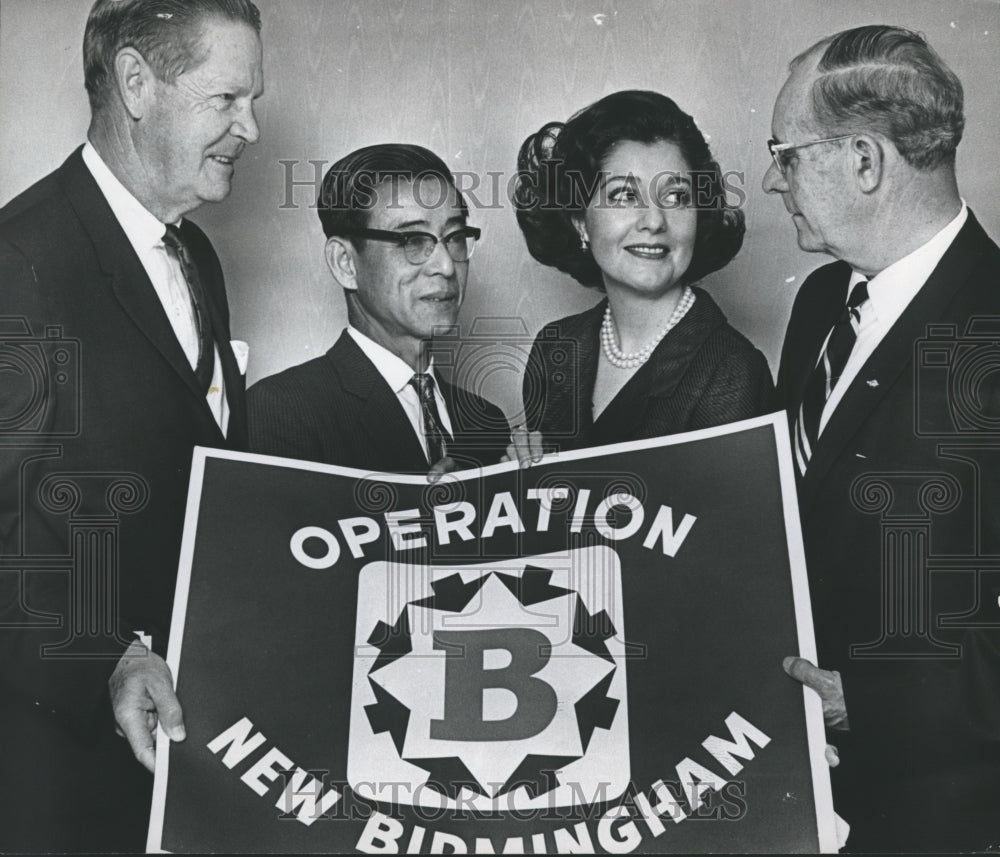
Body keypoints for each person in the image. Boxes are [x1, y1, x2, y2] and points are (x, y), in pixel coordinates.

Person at [0, 0, 263, 850]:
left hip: (184, 746)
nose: (250, 128)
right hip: (62, 776)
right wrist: (107, 660)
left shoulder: (197, 255)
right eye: (227, 99)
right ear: (136, 83)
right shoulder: (20, 263)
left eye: (251, 101)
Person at [765, 25, 1000, 851]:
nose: (771, 179)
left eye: (786, 155)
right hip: (796, 788)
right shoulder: (823, 301)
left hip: (940, 817)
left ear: (863, 161)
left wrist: (862, 695)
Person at [513, 90, 773, 451]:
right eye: (624, 195)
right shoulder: (555, 348)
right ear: (580, 221)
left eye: (676, 196)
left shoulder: (732, 371)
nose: (654, 221)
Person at [248, 144, 521, 475]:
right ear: (345, 263)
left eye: (455, 237)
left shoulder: (486, 421)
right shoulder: (283, 410)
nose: (446, 266)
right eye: (412, 241)